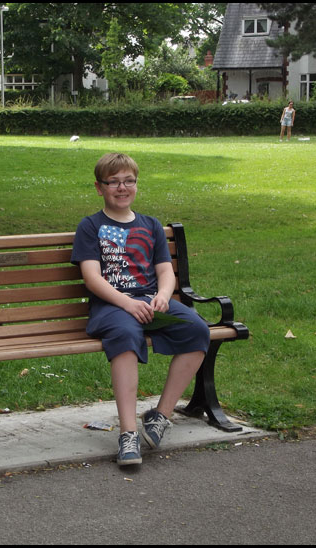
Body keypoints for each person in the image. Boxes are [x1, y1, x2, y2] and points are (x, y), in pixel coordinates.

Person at [71, 153, 210, 466]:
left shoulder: (151, 226)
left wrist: (163, 295)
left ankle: (159, 417)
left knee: (197, 330)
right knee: (124, 334)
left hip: (150, 301)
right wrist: (127, 303)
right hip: (111, 306)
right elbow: (92, 278)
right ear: (99, 188)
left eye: (129, 181)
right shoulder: (91, 226)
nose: (122, 188)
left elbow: (165, 271)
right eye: (114, 182)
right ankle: (128, 434)